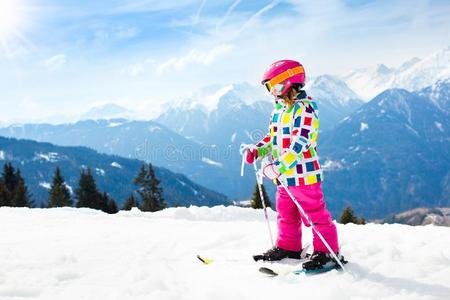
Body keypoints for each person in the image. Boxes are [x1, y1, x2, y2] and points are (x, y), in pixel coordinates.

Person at [245, 60, 345, 270]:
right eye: (268, 88)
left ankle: (327, 252)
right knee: (286, 214)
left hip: (304, 176)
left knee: (315, 215)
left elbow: (301, 143)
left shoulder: (305, 109)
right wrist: (257, 150)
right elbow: (272, 140)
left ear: (289, 83)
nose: (272, 93)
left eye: (274, 87)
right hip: (284, 178)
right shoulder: (278, 111)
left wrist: (278, 166)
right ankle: (288, 247)